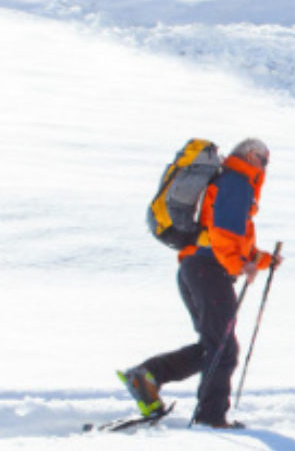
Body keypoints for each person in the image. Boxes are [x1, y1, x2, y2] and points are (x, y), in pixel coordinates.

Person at [119, 138, 280, 428]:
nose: (266, 167)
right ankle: (211, 418)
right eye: (264, 160)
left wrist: (264, 260)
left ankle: (147, 376)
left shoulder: (228, 181)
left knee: (213, 346)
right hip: (209, 271)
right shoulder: (237, 181)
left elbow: (231, 240)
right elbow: (223, 234)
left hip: (195, 269)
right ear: (250, 155)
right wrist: (240, 266)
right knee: (224, 350)